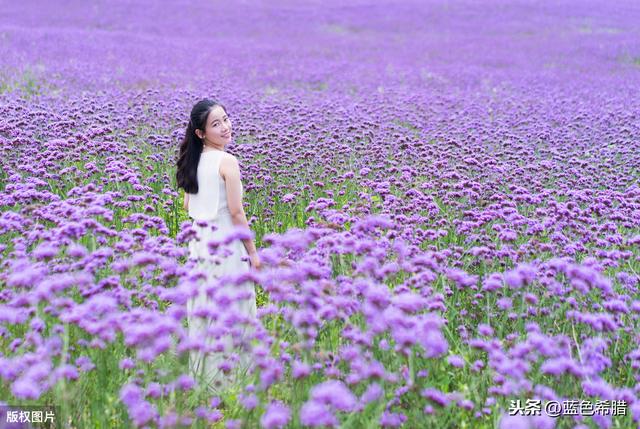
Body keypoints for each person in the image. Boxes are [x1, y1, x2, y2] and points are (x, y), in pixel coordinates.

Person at [175, 98, 261, 393]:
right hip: (225, 242)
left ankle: (204, 382)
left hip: (199, 245)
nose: (225, 127)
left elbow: (188, 203)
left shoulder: (192, 161)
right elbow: (237, 213)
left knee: (205, 310)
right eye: (216, 124)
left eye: (226, 119)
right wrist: (253, 253)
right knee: (233, 308)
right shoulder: (227, 161)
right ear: (200, 133)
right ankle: (234, 384)